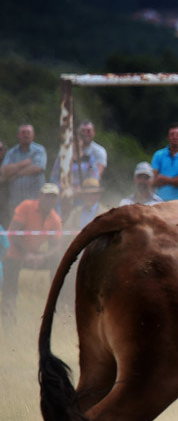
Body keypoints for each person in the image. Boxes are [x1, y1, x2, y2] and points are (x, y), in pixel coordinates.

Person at [3, 183, 62, 324]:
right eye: (47, 196)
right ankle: (8, 321)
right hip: (14, 254)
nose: (50, 200)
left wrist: (43, 257)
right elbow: (14, 233)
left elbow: (57, 246)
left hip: (35, 255)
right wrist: (28, 254)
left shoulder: (55, 219)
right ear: (40, 196)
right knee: (10, 289)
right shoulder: (26, 206)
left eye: (53, 197)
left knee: (59, 264)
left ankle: (57, 308)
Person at [1, 124, 47, 220]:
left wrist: (16, 173)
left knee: (35, 229)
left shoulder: (39, 150)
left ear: (33, 135)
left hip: (35, 201)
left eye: (28, 133)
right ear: (18, 135)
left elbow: (37, 168)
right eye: (23, 133)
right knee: (16, 231)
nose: (25, 135)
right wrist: (24, 164)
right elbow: (4, 171)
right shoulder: (12, 152)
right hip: (16, 201)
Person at [49, 120, 107, 195]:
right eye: (72, 141)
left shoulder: (91, 159)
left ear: (81, 142)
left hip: (84, 194)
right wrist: (64, 187)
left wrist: (81, 188)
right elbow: (54, 176)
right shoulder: (62, 157)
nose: (86, 133)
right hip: (63, 193)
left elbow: (95, 176)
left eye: (89, 131)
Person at [150, 124, 178, 202]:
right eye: (172, 134)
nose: (175, 137)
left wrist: (163, 178)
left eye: (177, 135)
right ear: (168, 137)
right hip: (159, 200)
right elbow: (153, 180)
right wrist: (175, 180)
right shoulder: (158, 155)